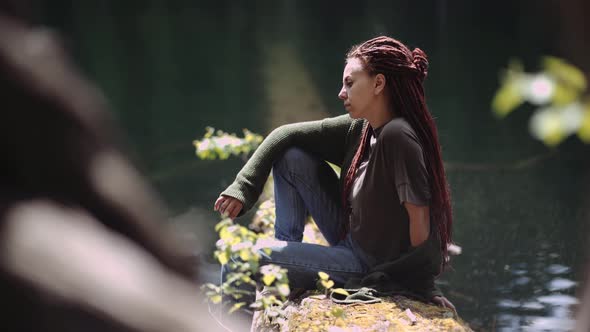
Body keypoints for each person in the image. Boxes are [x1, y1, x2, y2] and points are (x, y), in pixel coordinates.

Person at [215, 36, 454, 309]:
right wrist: (244, 186)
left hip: (366, 265)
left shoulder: (398, 136)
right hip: (350, 237)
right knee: (292, 156)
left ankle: (274, 278)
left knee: (238, 259)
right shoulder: (362, 128)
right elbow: (286, 134)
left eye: (350, 83)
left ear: (378, 83)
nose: (341, 92)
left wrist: (422, 287)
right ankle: (285, 265)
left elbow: (421, 223)